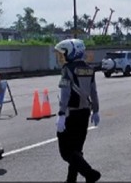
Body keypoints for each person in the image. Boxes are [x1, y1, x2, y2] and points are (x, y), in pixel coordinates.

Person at [54, 39, 101, 183]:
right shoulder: (89, 68)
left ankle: (90, 173)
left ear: (73, 52)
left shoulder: (67, 70)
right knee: (77, 149)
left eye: (64, 53)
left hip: (71, 113)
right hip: (85, 113)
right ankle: (71, 179)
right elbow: (93, 92)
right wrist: (96, 111)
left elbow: (65, 93)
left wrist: (61, 114)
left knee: (66, 152)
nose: (62, 57)